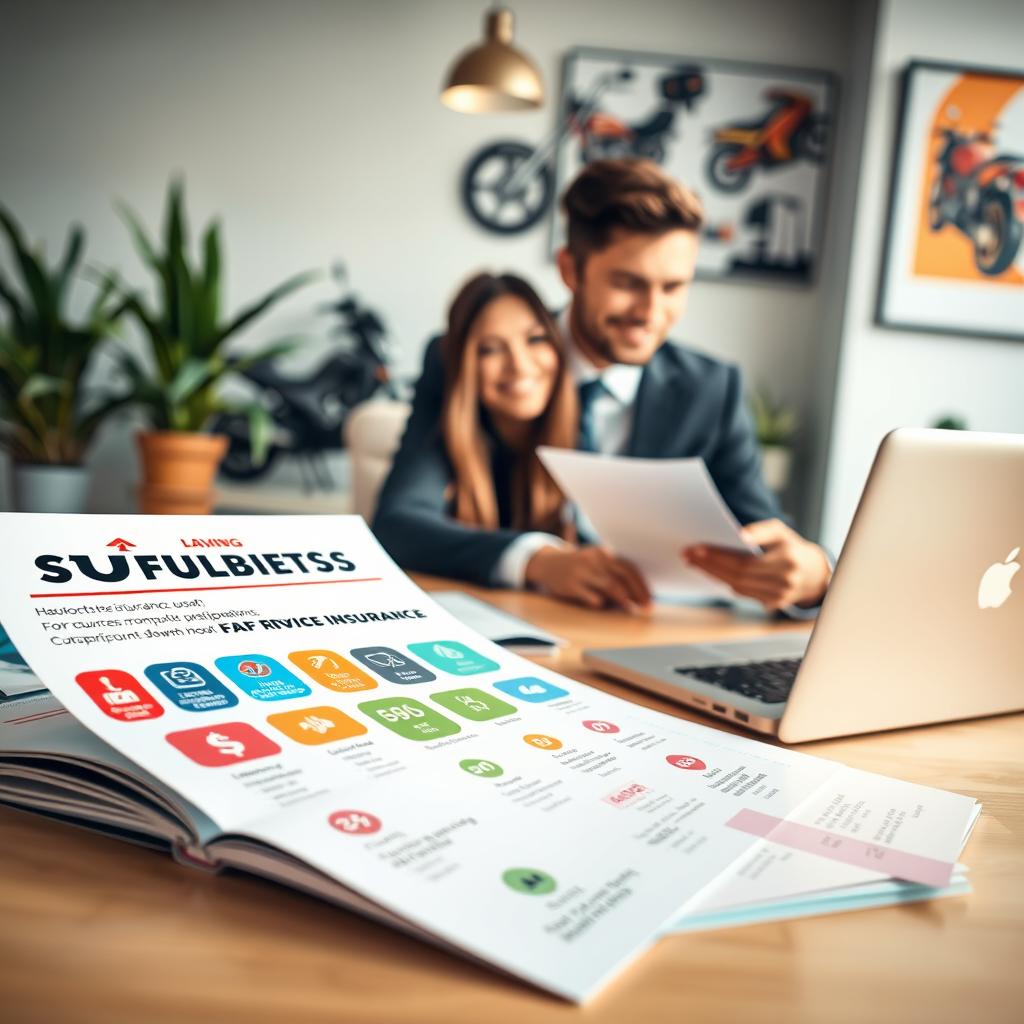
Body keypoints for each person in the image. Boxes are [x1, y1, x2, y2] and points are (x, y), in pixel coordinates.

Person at [375, 158, 831, 613]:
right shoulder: (485, 363)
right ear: (571, 270)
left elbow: (767, 533)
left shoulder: (711, 389)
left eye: (673, 287)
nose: (651, 313)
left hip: (656, 634)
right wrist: (539, 560)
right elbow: (399, 523)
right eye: (629, 283)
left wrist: (813, 574)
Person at [373, 270, 652, 610]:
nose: (519, 366)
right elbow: (397, 524)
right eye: (490, 350)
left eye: (535, 340)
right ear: (464, 365)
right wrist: (539, 561)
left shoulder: (594, 420)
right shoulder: (450, 424)